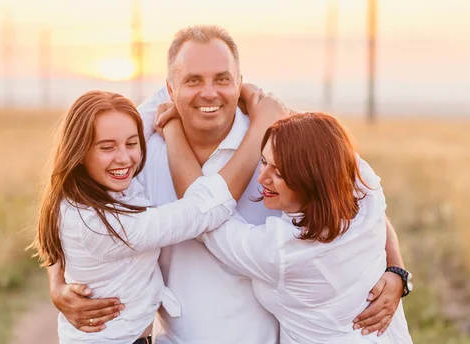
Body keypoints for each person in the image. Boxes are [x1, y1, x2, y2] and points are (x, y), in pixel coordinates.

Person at [48, 25, 412, 343]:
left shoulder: (284, 144)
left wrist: (395, 270)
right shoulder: (138, 144)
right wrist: (57, 281)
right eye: (193, 80)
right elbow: (69, 192)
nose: (210, 92)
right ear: (169, 90)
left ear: (239, 83)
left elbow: (360, 201)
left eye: (222, 79)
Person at [30, 90, 283, 343]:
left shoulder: (80, 189)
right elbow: (204, 210)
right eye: (107, 147)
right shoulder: (101, 224)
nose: (124, 158)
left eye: (131, 143)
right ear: (79, 152)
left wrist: (234, 92)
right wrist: (261, 125)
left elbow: (162, 97)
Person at [161, 111, 413, 343]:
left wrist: (172, 128)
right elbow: (378, 212)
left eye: (280, 173)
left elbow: (201, 212)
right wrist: (397, 271)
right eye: (263, 161)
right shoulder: (360, 187)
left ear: (312, 178)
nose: (262, 178)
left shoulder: (282, 251)